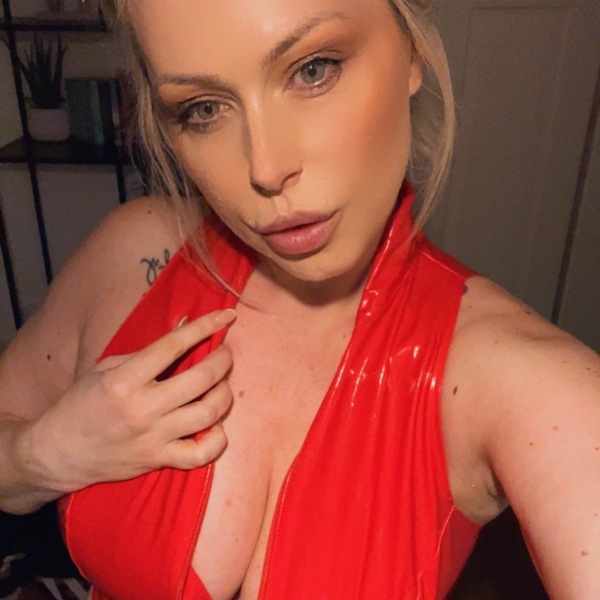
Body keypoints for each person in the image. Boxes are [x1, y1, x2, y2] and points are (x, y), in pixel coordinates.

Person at [1, 0, 599, 598]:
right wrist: (42, 454)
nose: (266, 167)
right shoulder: (135, 258)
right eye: (204, 108)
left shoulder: (524, 382)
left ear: (413, 48)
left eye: (314, 70)